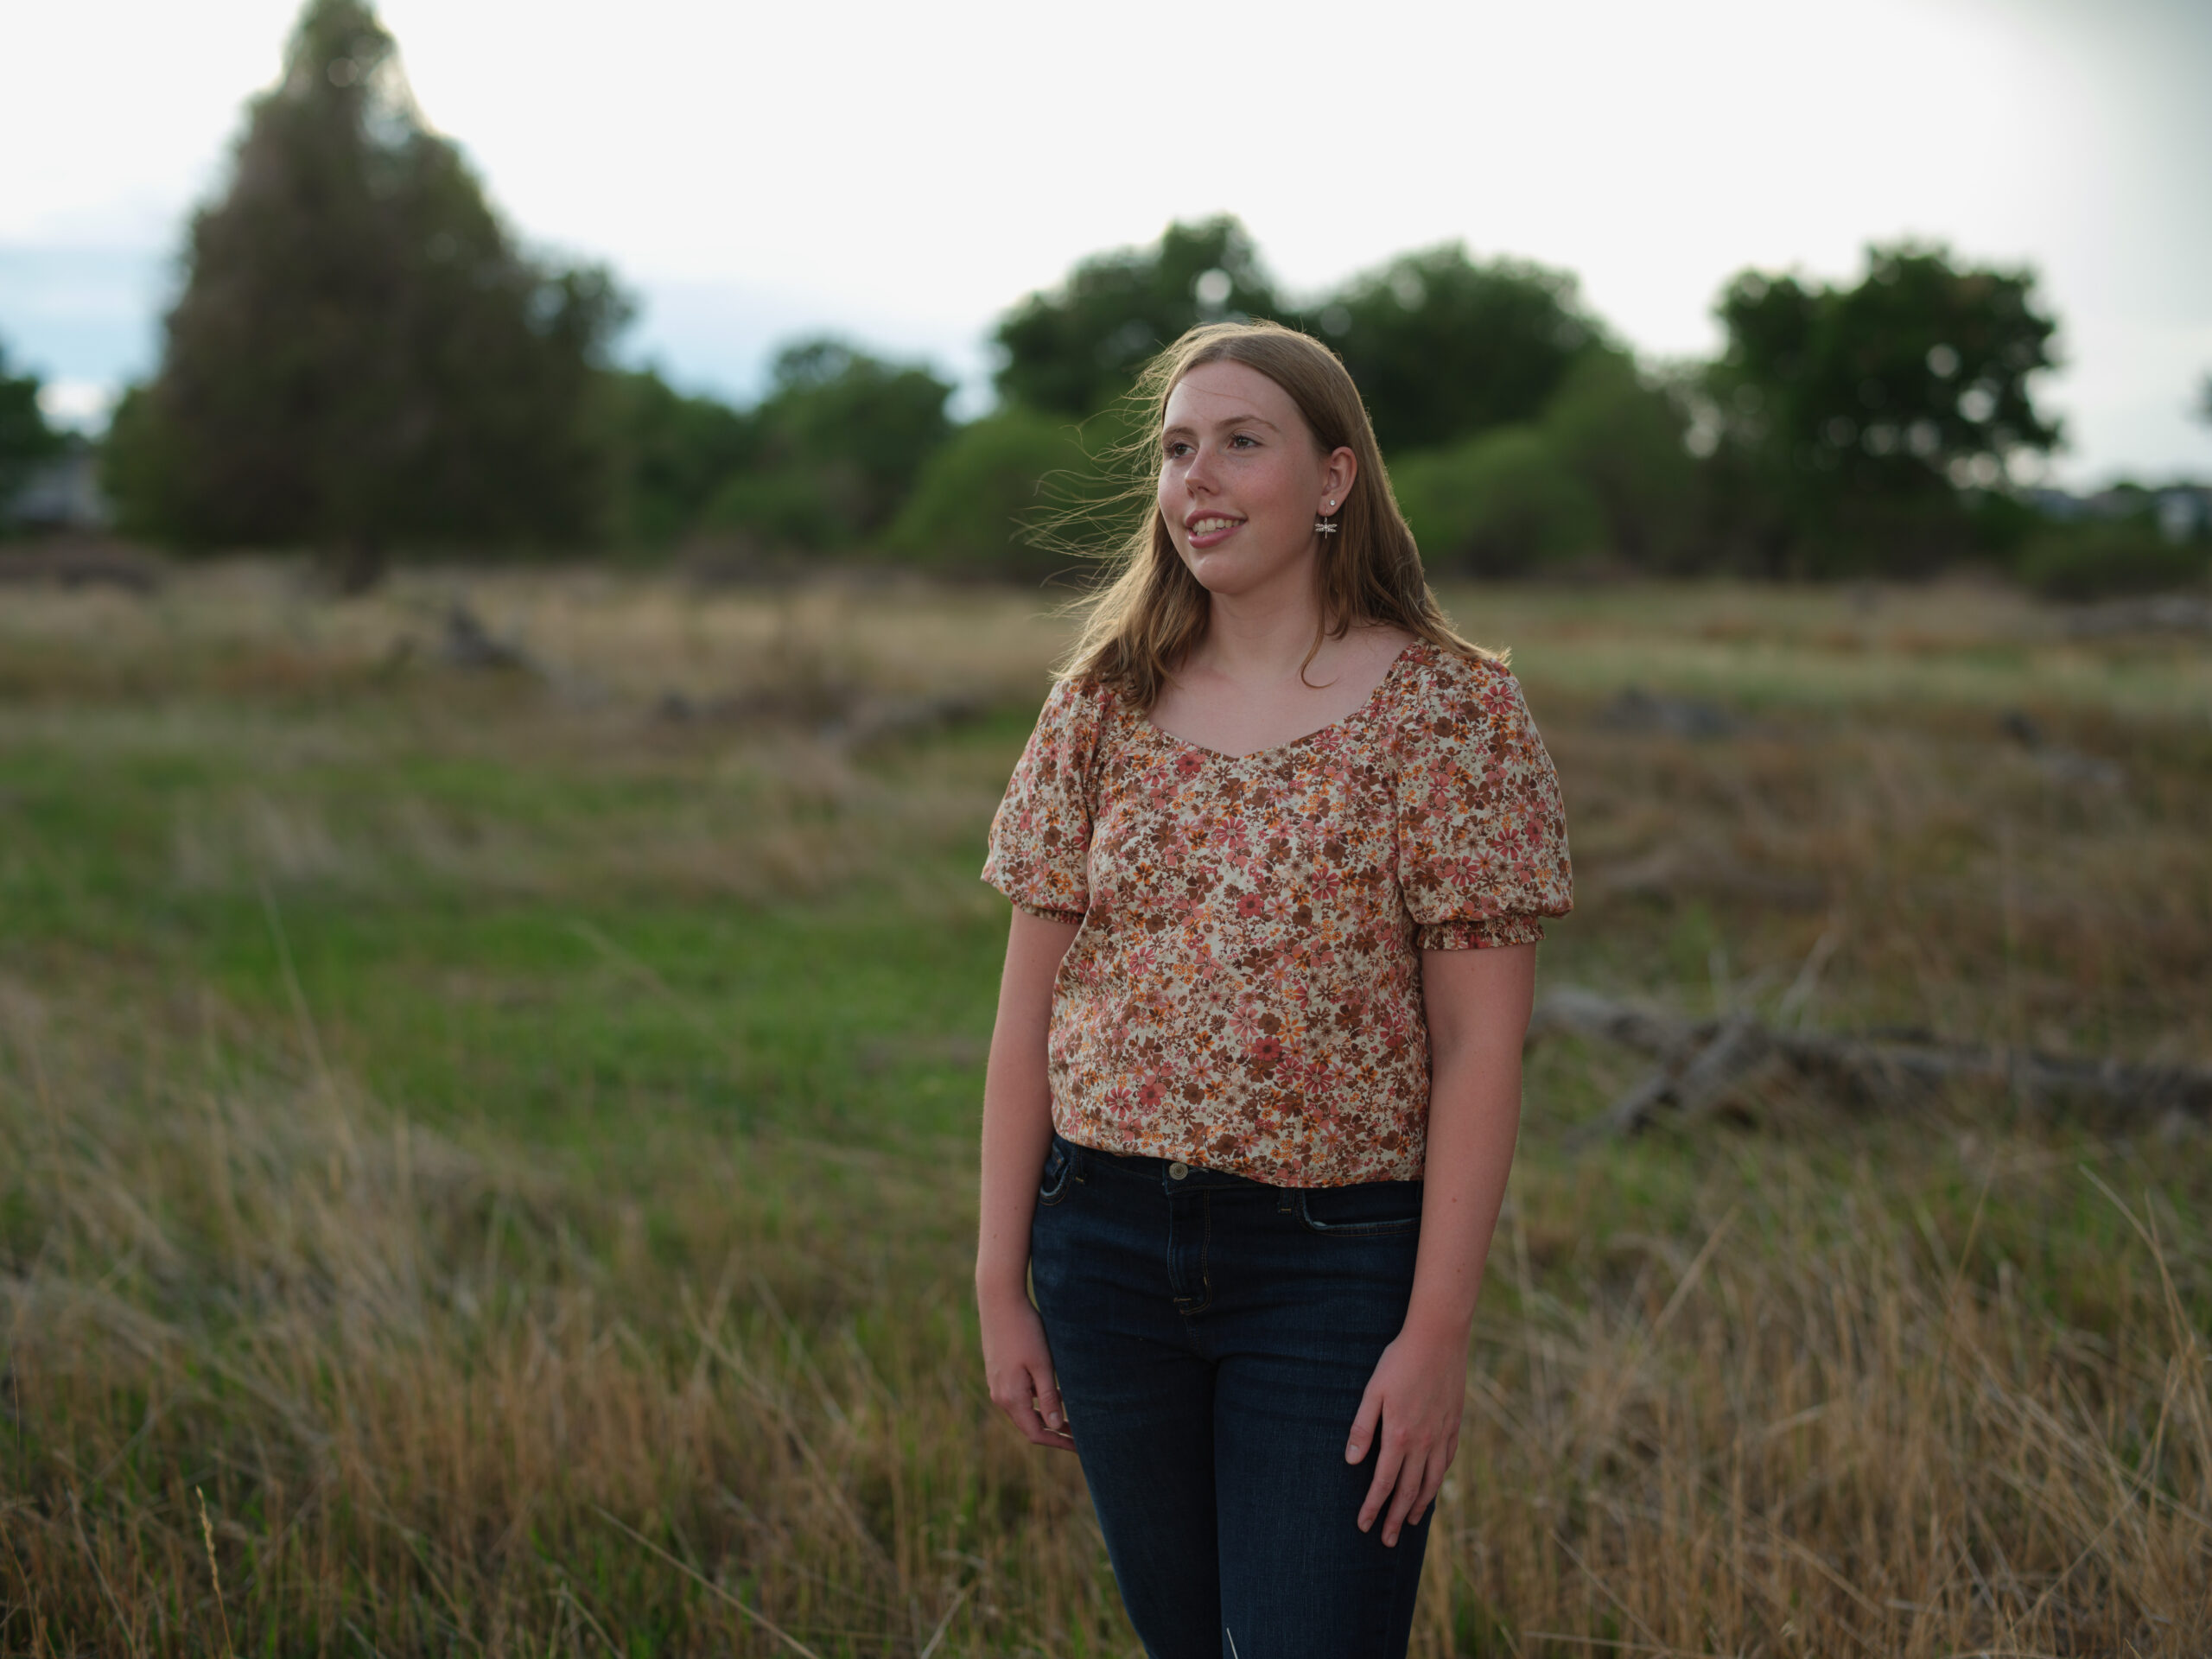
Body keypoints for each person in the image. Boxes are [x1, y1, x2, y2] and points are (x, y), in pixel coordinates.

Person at [975, 319, 1572, 1659]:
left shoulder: (1448, 713)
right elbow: (1028, 1022)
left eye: (1243, 443)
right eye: (1180, 449)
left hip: (1335, 1263)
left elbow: (1481, 1050)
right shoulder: (1101, 705)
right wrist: (997, 1283)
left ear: (1333, 481)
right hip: (1105, 1249)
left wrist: (1436, 1336)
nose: (1199, 479)